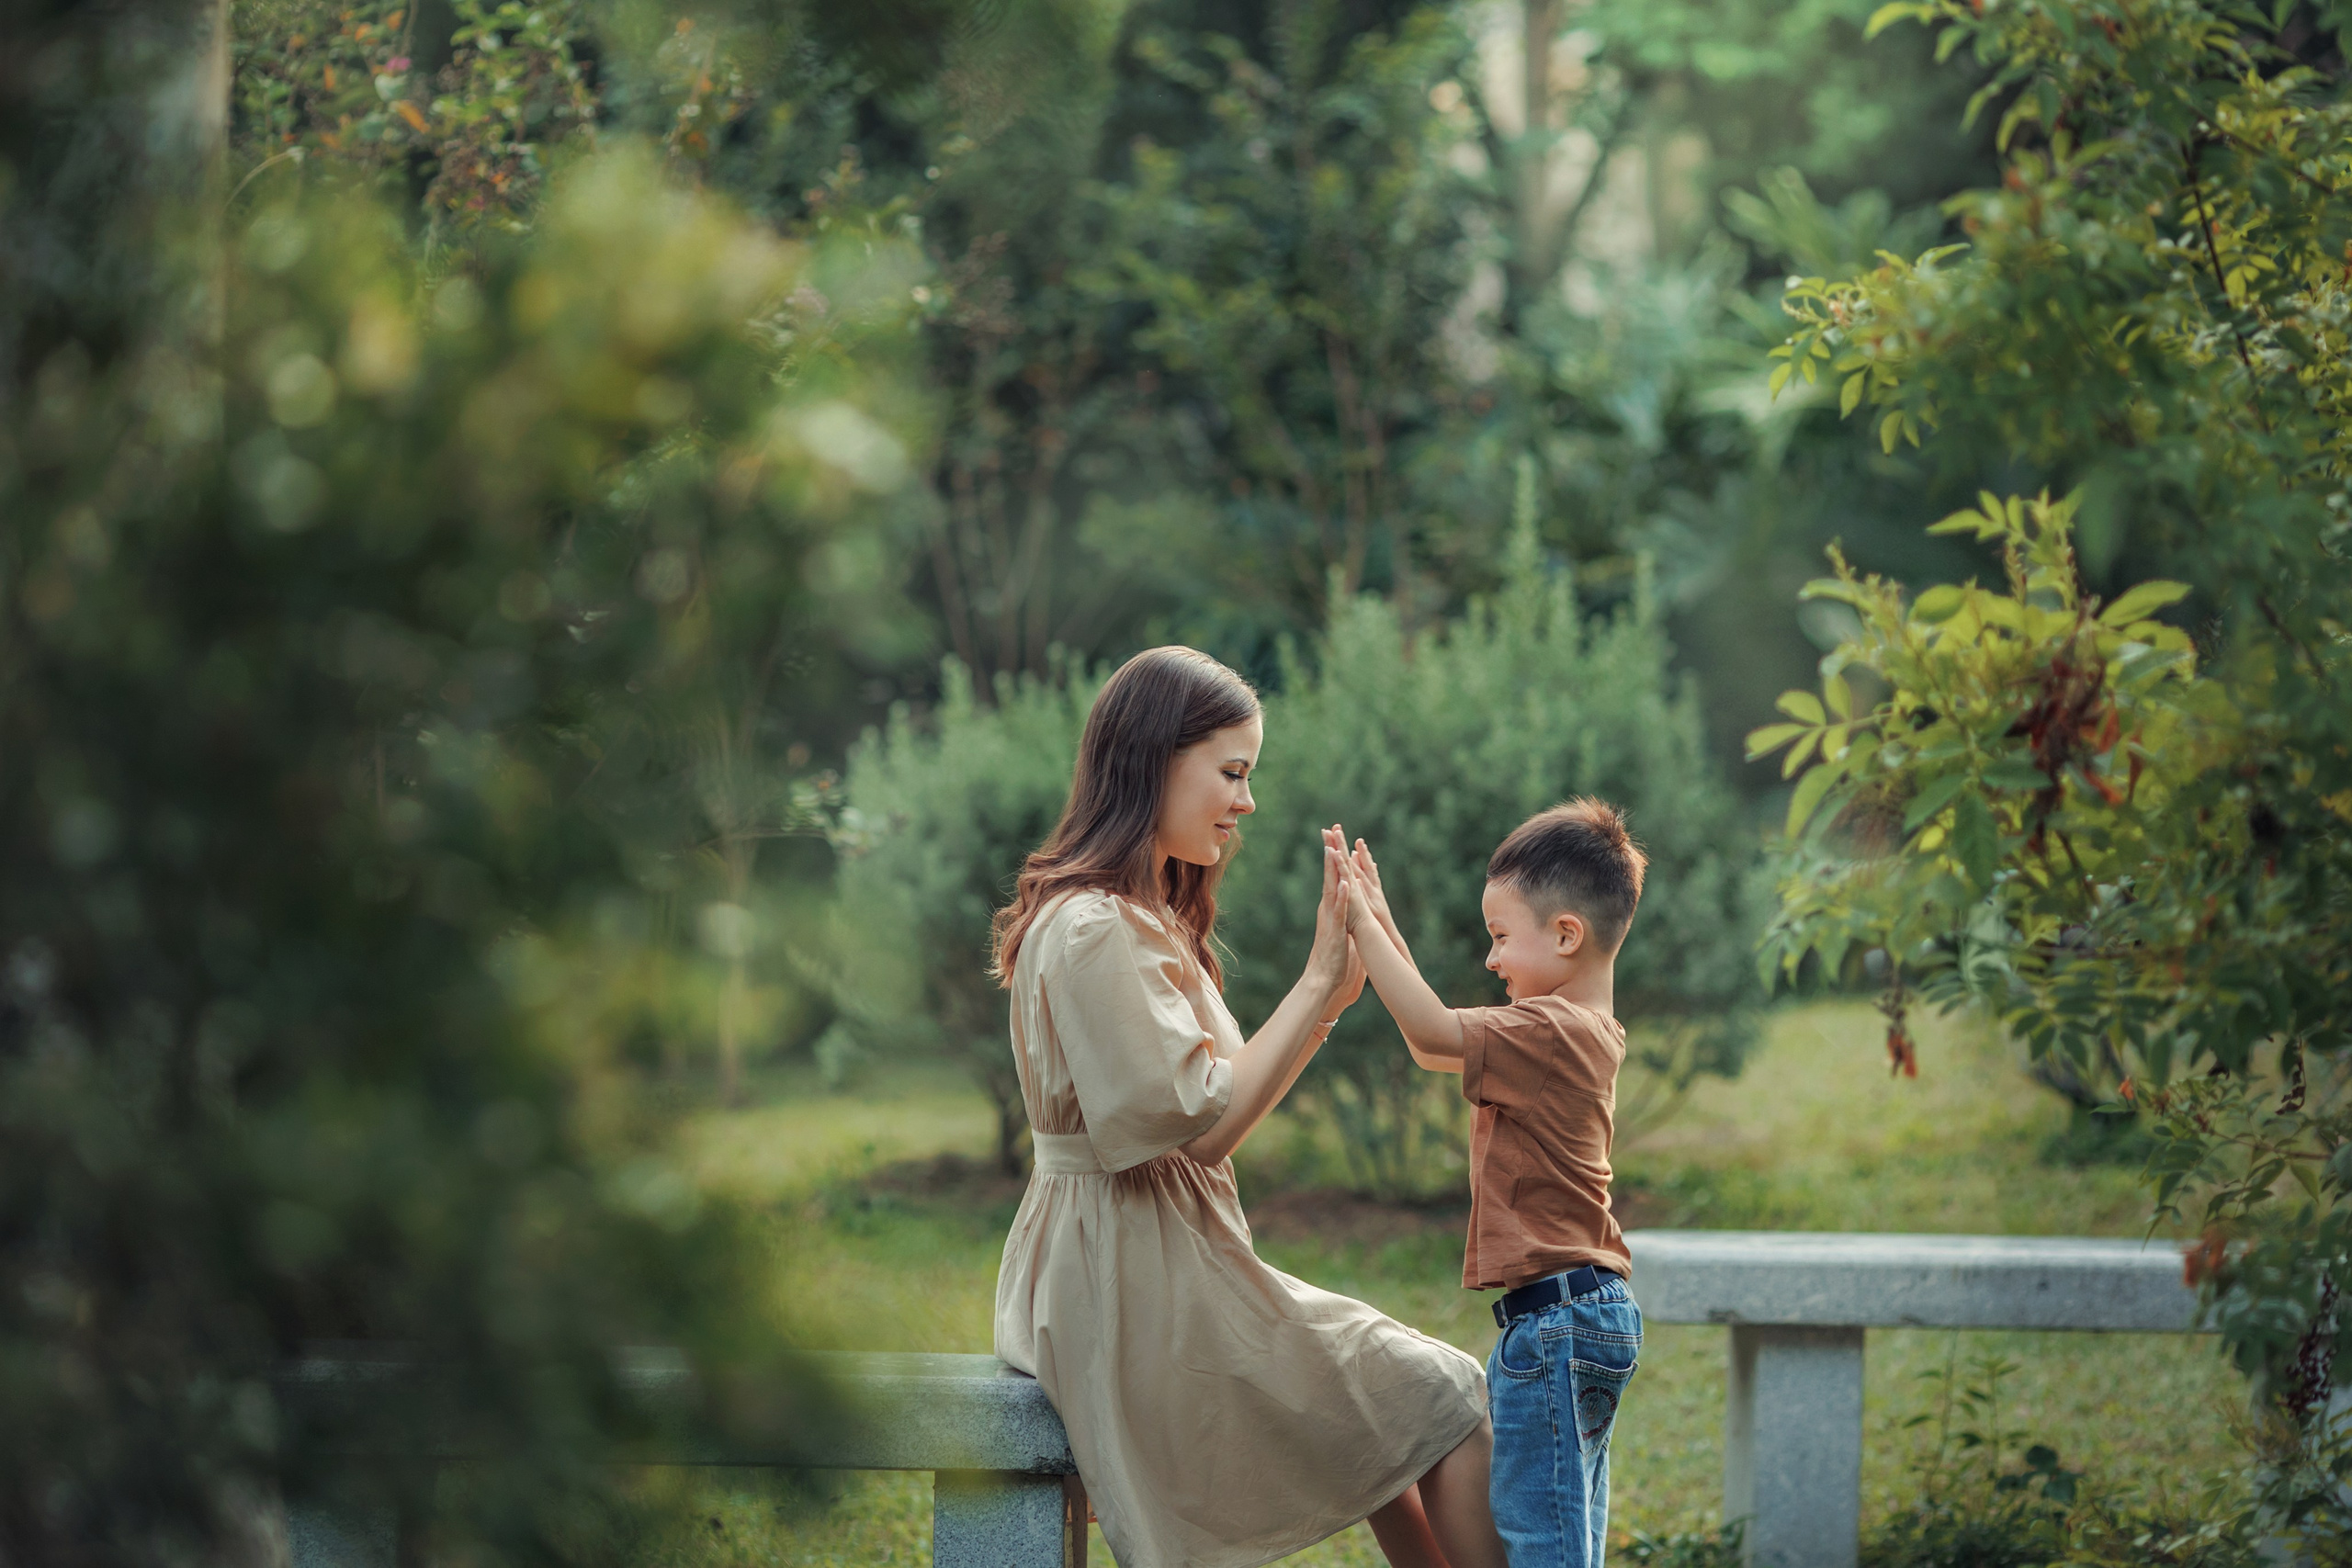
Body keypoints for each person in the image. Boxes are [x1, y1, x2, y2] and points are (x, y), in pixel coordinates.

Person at [990, 645, 1506, 1568]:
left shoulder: (1141, 918)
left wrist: (1330, 1002)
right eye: (1230, 772)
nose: (1246, 801)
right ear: (1154, 759)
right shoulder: (1096, 926)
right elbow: (1206, 1124)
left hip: (1153, 1253)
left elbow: (1213, 1124)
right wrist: (1315, 983)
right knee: (1446, 1397)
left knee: (1395, 1415)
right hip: (1131, 1278)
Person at [1337, 801, 1648, 1568]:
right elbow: (1433, 1035)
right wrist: (1379, 918)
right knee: (1570, 1536)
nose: (1492, 958)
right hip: (1591, 1312)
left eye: (1502, 937)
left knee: (1543, 1546)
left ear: (1566, 934)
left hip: (1554, 1325)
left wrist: (1358, 921)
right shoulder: (1580, 1028)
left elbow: (1432, 1033)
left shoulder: (1547, 1030)